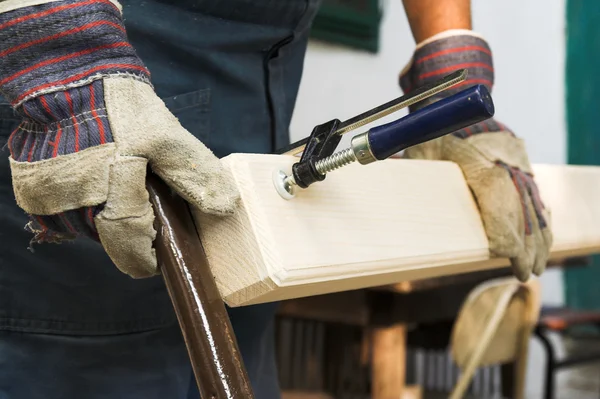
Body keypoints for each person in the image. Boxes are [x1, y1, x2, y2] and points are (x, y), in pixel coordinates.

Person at [0, 0, 551, 398]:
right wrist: (58, 50)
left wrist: (449, 61)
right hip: (93, 62)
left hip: (262, 72)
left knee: (239, 331)